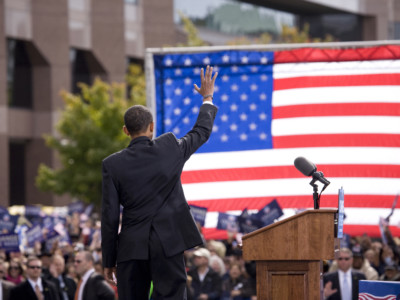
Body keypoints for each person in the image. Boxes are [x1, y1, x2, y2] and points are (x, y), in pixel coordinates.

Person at [101, 65, 218, 300]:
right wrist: (207, 98)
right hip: (168, 243)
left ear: (126, 130)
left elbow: (110, 217)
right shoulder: (170, 148)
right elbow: (201, 132)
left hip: (131, 248)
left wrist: (109, 261)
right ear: (152, 127)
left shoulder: (112, 164)